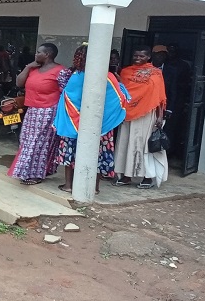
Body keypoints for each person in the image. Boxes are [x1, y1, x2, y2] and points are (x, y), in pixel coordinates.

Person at [55, 45, 129, 194]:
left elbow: (68, 97)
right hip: (100, 124)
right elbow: (121, 97)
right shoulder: (107, 76)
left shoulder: (77, 75)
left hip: (73, 123)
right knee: (98, 155)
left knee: (70, 152)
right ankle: (94, 188)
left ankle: (69, 185)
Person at [7, 43, 66, 185]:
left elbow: (66, 93)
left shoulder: (60, 71)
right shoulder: (34, 69)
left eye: (38, 52)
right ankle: (27, 171)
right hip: (32, 110)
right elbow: (19, 83)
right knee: (26, 141)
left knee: (39, 143)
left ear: (47, 54)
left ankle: (36, 174)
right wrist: (28, 67)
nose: (35, 54)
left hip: (48, 111)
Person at [113, 46, 168, 189]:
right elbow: (122, 92)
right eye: (135, 56)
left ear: (148, 57)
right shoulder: (125, 72)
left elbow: (159, 97)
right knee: (126, 144)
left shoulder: (155, 74)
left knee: (143, 146)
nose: (137, 58)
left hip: (146, 113)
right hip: (128, 114)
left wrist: (160, 117)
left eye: (141, 56)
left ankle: (147, 177)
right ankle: (126, 176)